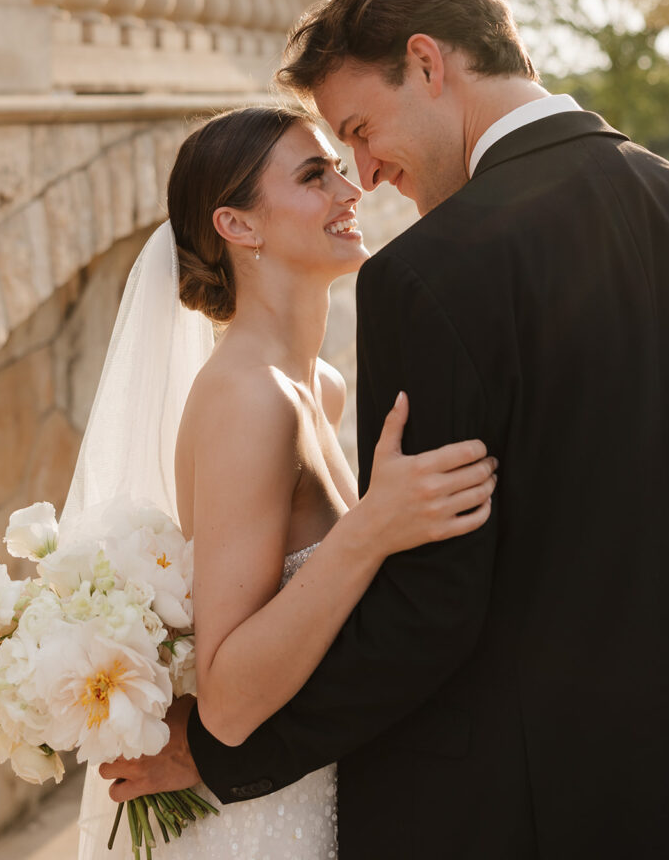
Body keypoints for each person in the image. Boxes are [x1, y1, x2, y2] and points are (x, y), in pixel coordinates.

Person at [102, 0, 669, 859]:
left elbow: (428, 612)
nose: (363, 175)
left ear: (425, 62)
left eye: (360, 132)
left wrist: (220, 753)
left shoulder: (434, 273)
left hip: (480, 819)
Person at [77, 104, 496, 859]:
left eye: (340, 166)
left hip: (322, 789)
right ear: (239, 227)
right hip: (257, 826)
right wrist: (372, 528)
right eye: (314, 176)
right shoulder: (248, 399)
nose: (350, 189)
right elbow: (229, 700)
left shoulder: (319, 386)